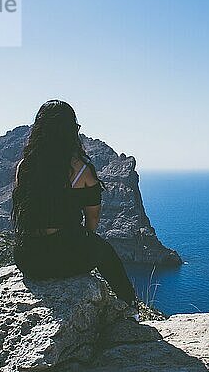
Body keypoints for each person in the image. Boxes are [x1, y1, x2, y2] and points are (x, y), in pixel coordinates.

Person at [11, 99, 139, 321]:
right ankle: (131, 308)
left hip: (28, 259)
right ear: (71, 129)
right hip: (61, 257)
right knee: (106, 253)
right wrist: (85, 241)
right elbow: (93, 218)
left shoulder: (25, 166)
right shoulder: (81, 170)